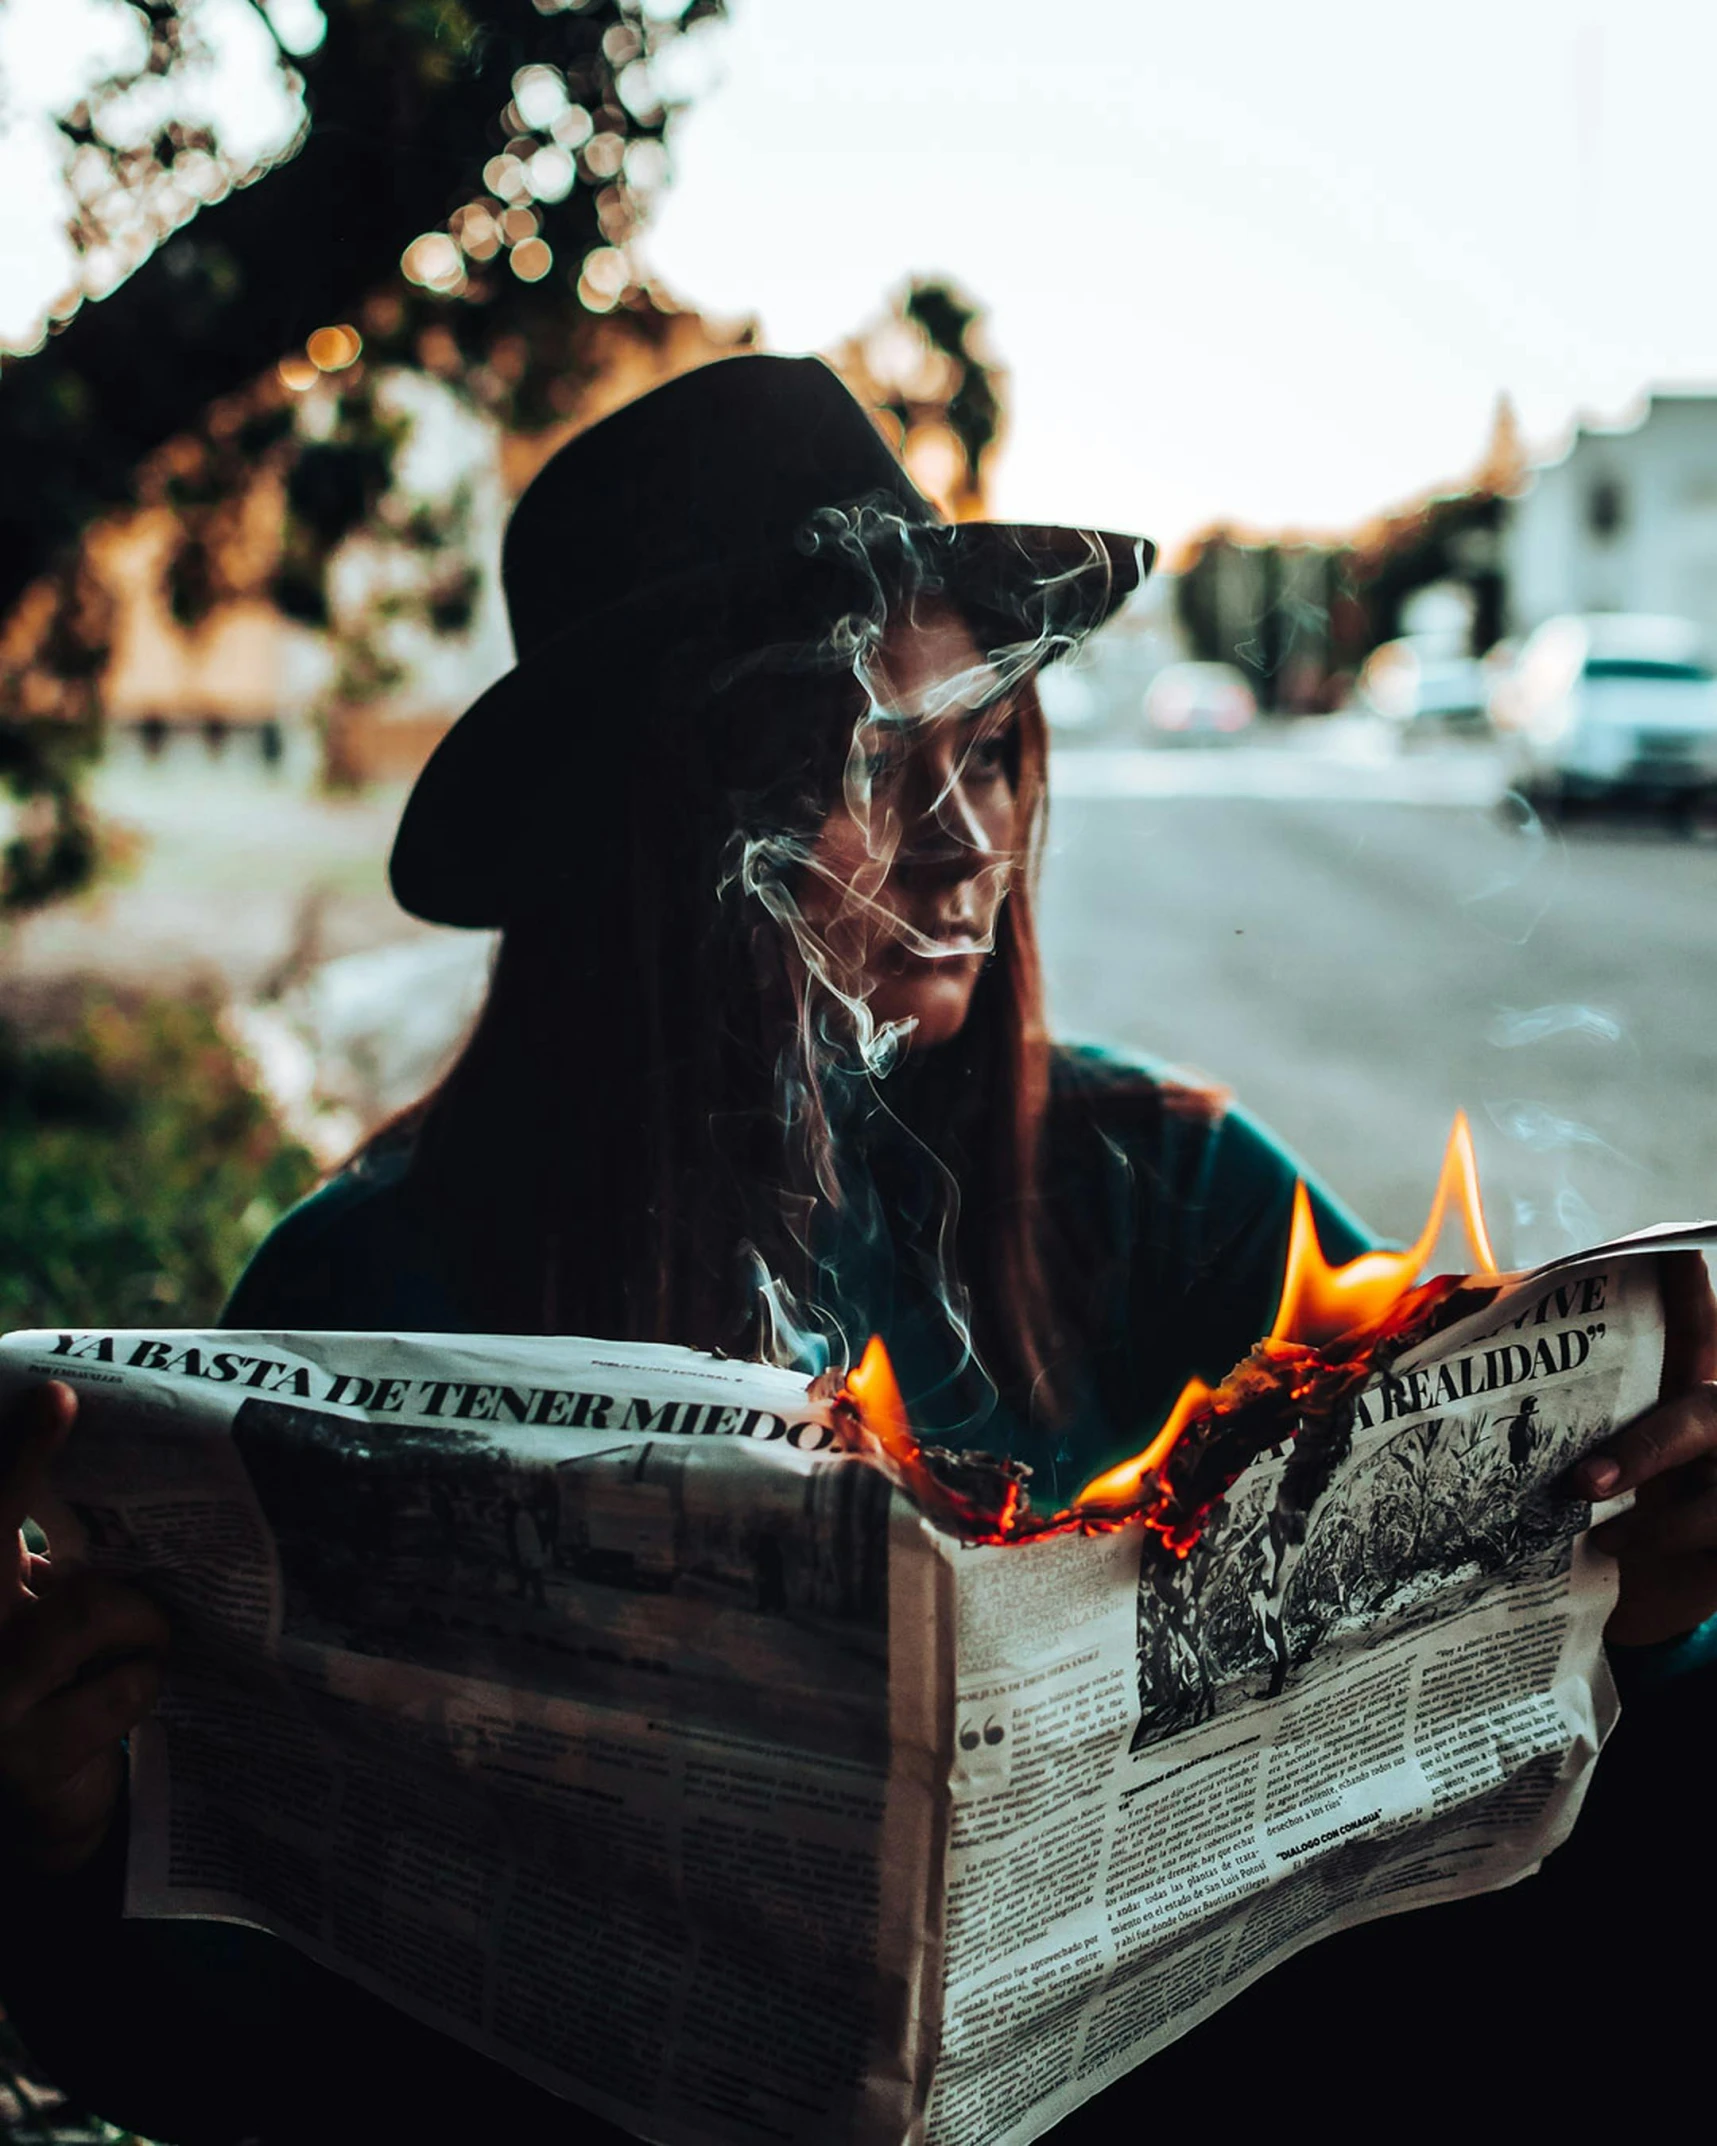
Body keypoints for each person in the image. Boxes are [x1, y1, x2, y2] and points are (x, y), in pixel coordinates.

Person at [3, 356, 1716, 2142]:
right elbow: (248, 2056)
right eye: (871, 762)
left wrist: (1645, 1600)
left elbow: (1525, 1791)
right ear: (658, 831)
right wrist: (51, 1842)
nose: (969, 840)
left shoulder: (1175, 1192)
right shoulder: (369, 1304)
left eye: (987, 751)